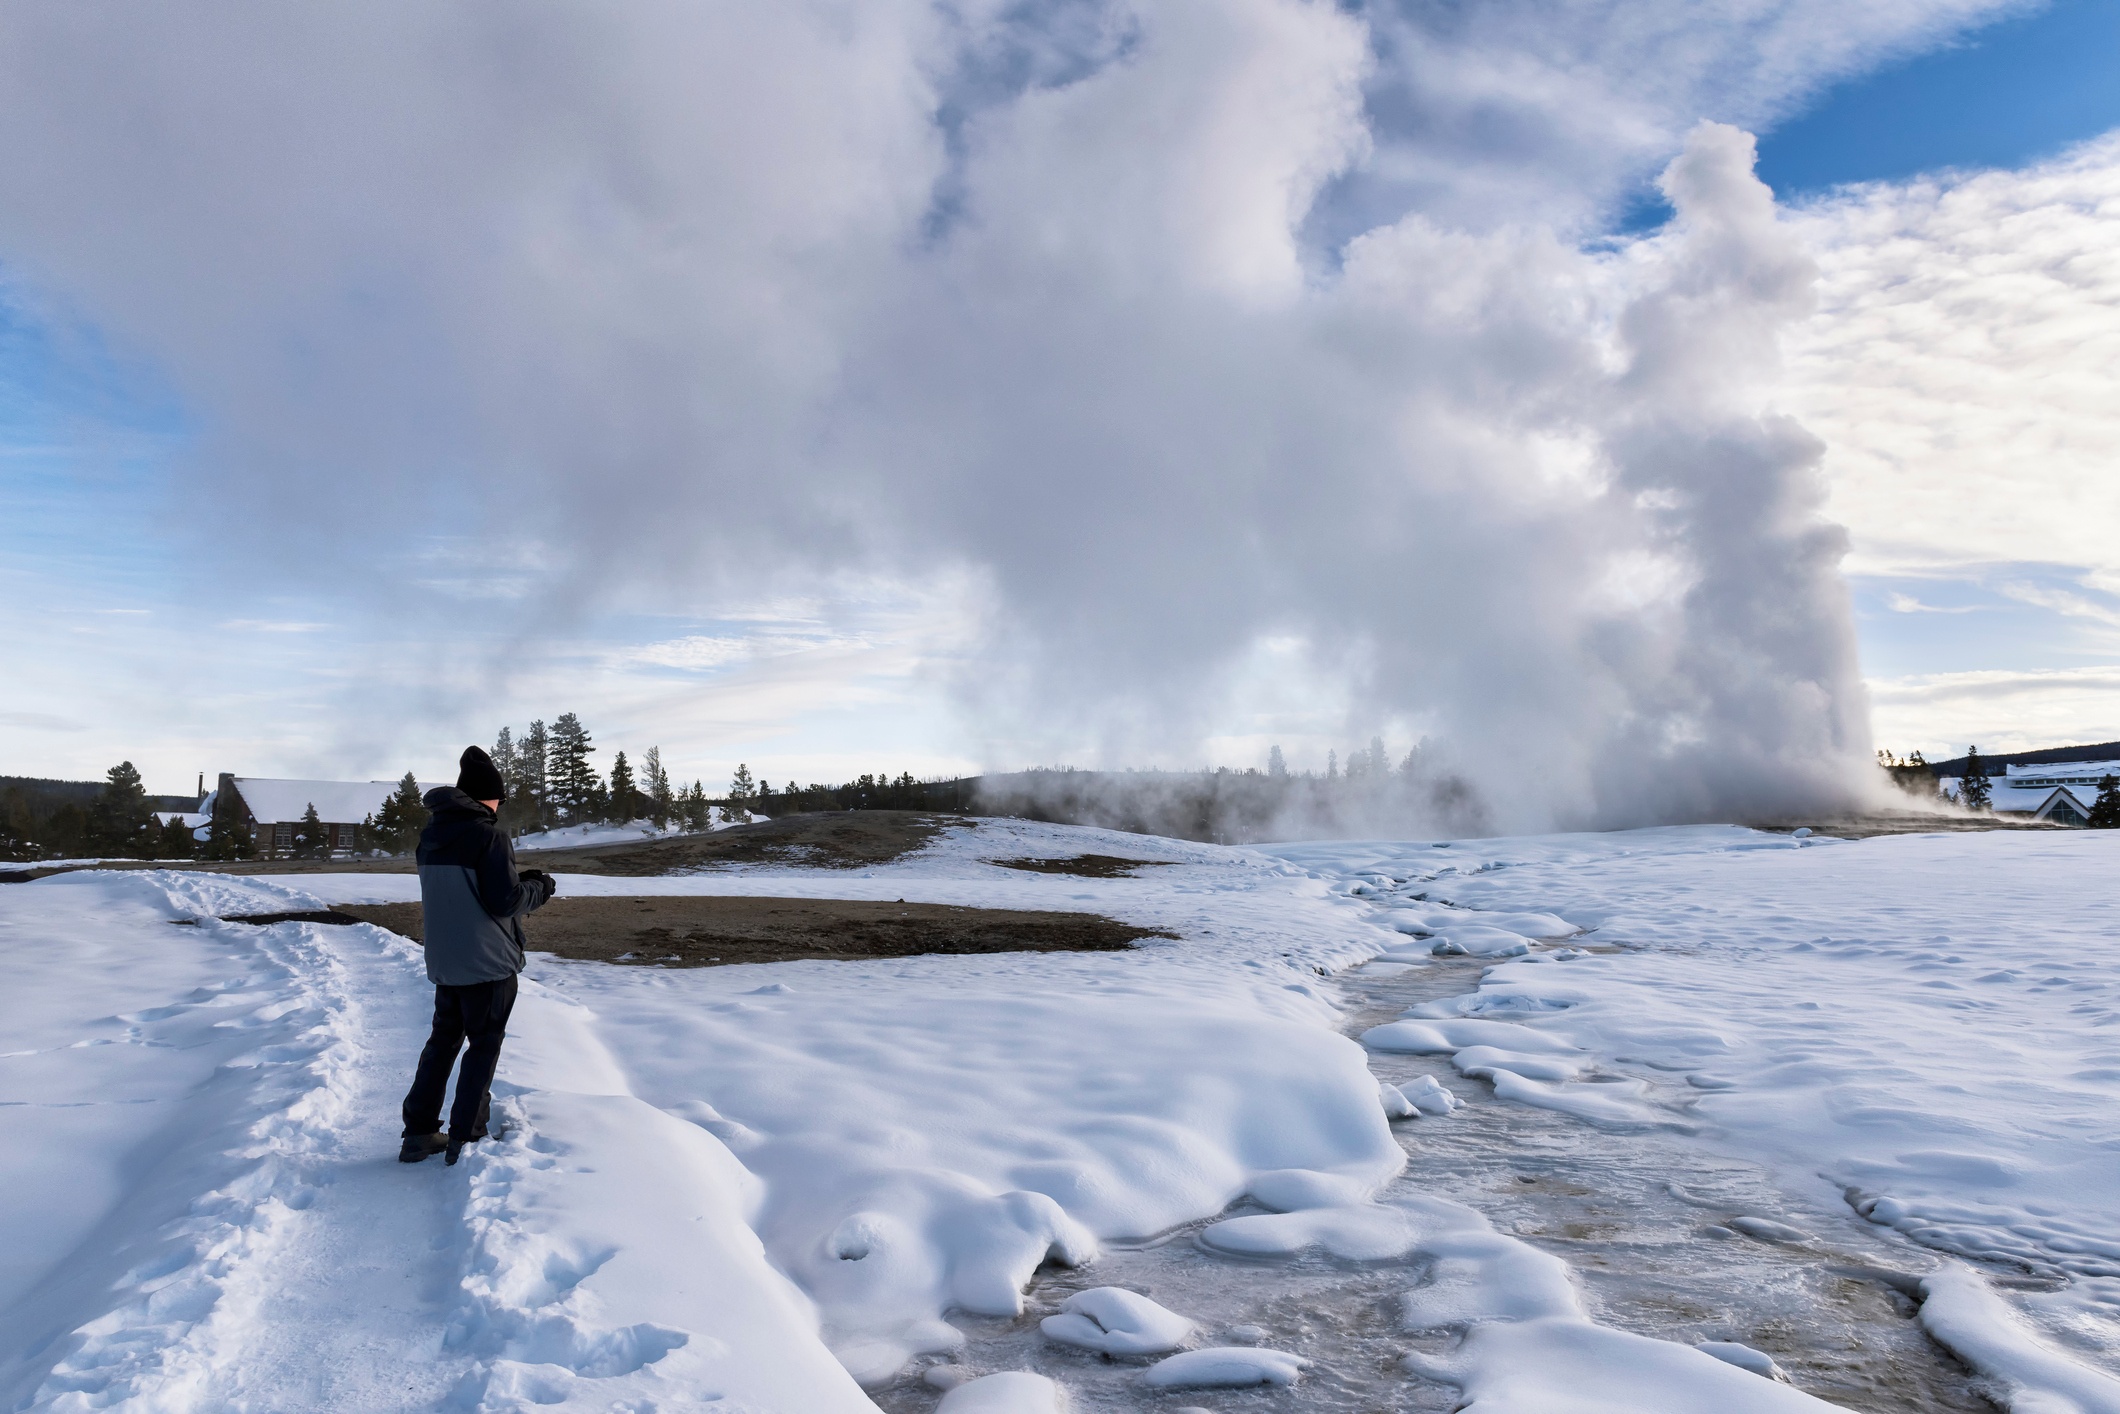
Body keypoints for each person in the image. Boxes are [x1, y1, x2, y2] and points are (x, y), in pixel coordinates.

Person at [399, 746, 556, 1164]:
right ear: (488, 797)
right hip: (488, 964)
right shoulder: (489, 836)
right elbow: (504, 902)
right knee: (483, 1047)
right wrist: (540, 887)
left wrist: (515, 878)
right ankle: (467, 1136)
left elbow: (468, 890)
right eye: (499, 799)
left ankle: (418, 1133)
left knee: (443, 1043)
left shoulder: (431, 837)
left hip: (446, 961)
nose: (500, 806)